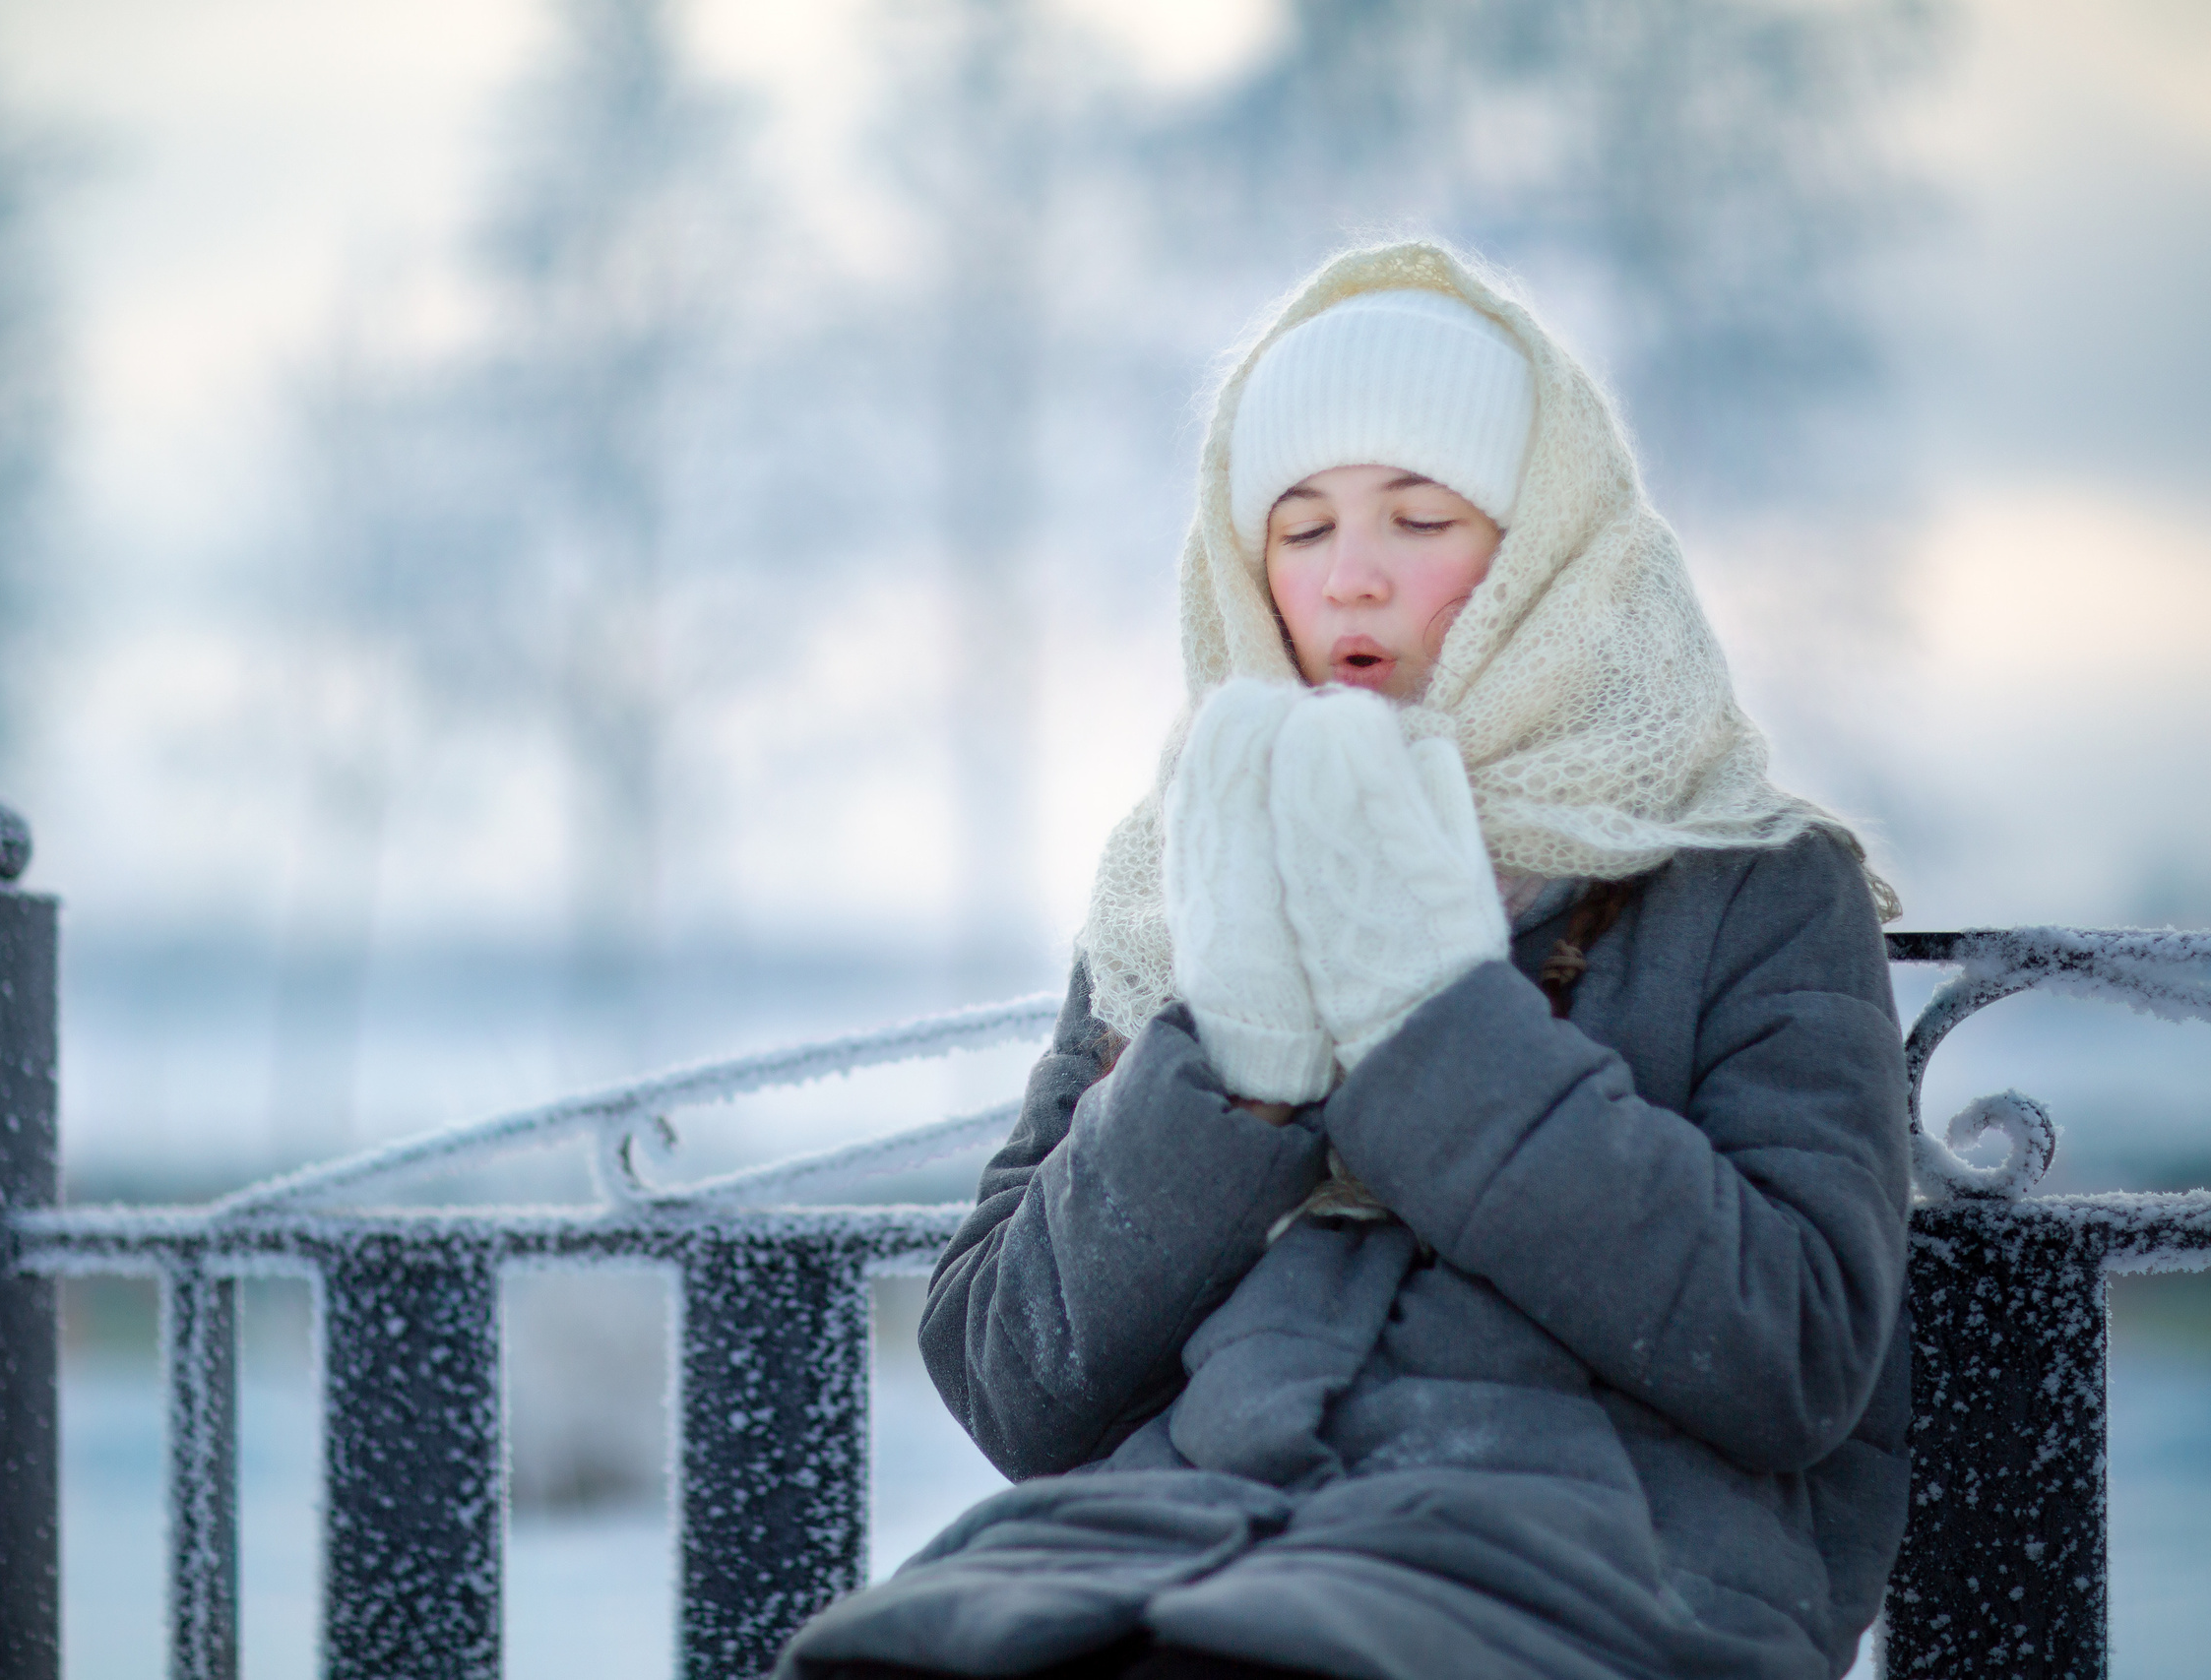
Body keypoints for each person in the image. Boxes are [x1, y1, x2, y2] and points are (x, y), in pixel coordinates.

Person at [775, 240, 1913, 1680]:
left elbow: (1792, 1356)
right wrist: (1238, 1065)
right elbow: (1016, 1384)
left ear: (1548, 553)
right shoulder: (1189, 883)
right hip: (1150, 1562)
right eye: (1300, 530)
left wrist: (1426, 1017)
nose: (1352, 577)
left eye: (1421, 518)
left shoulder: (1747, 880)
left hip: (1582, 1587)